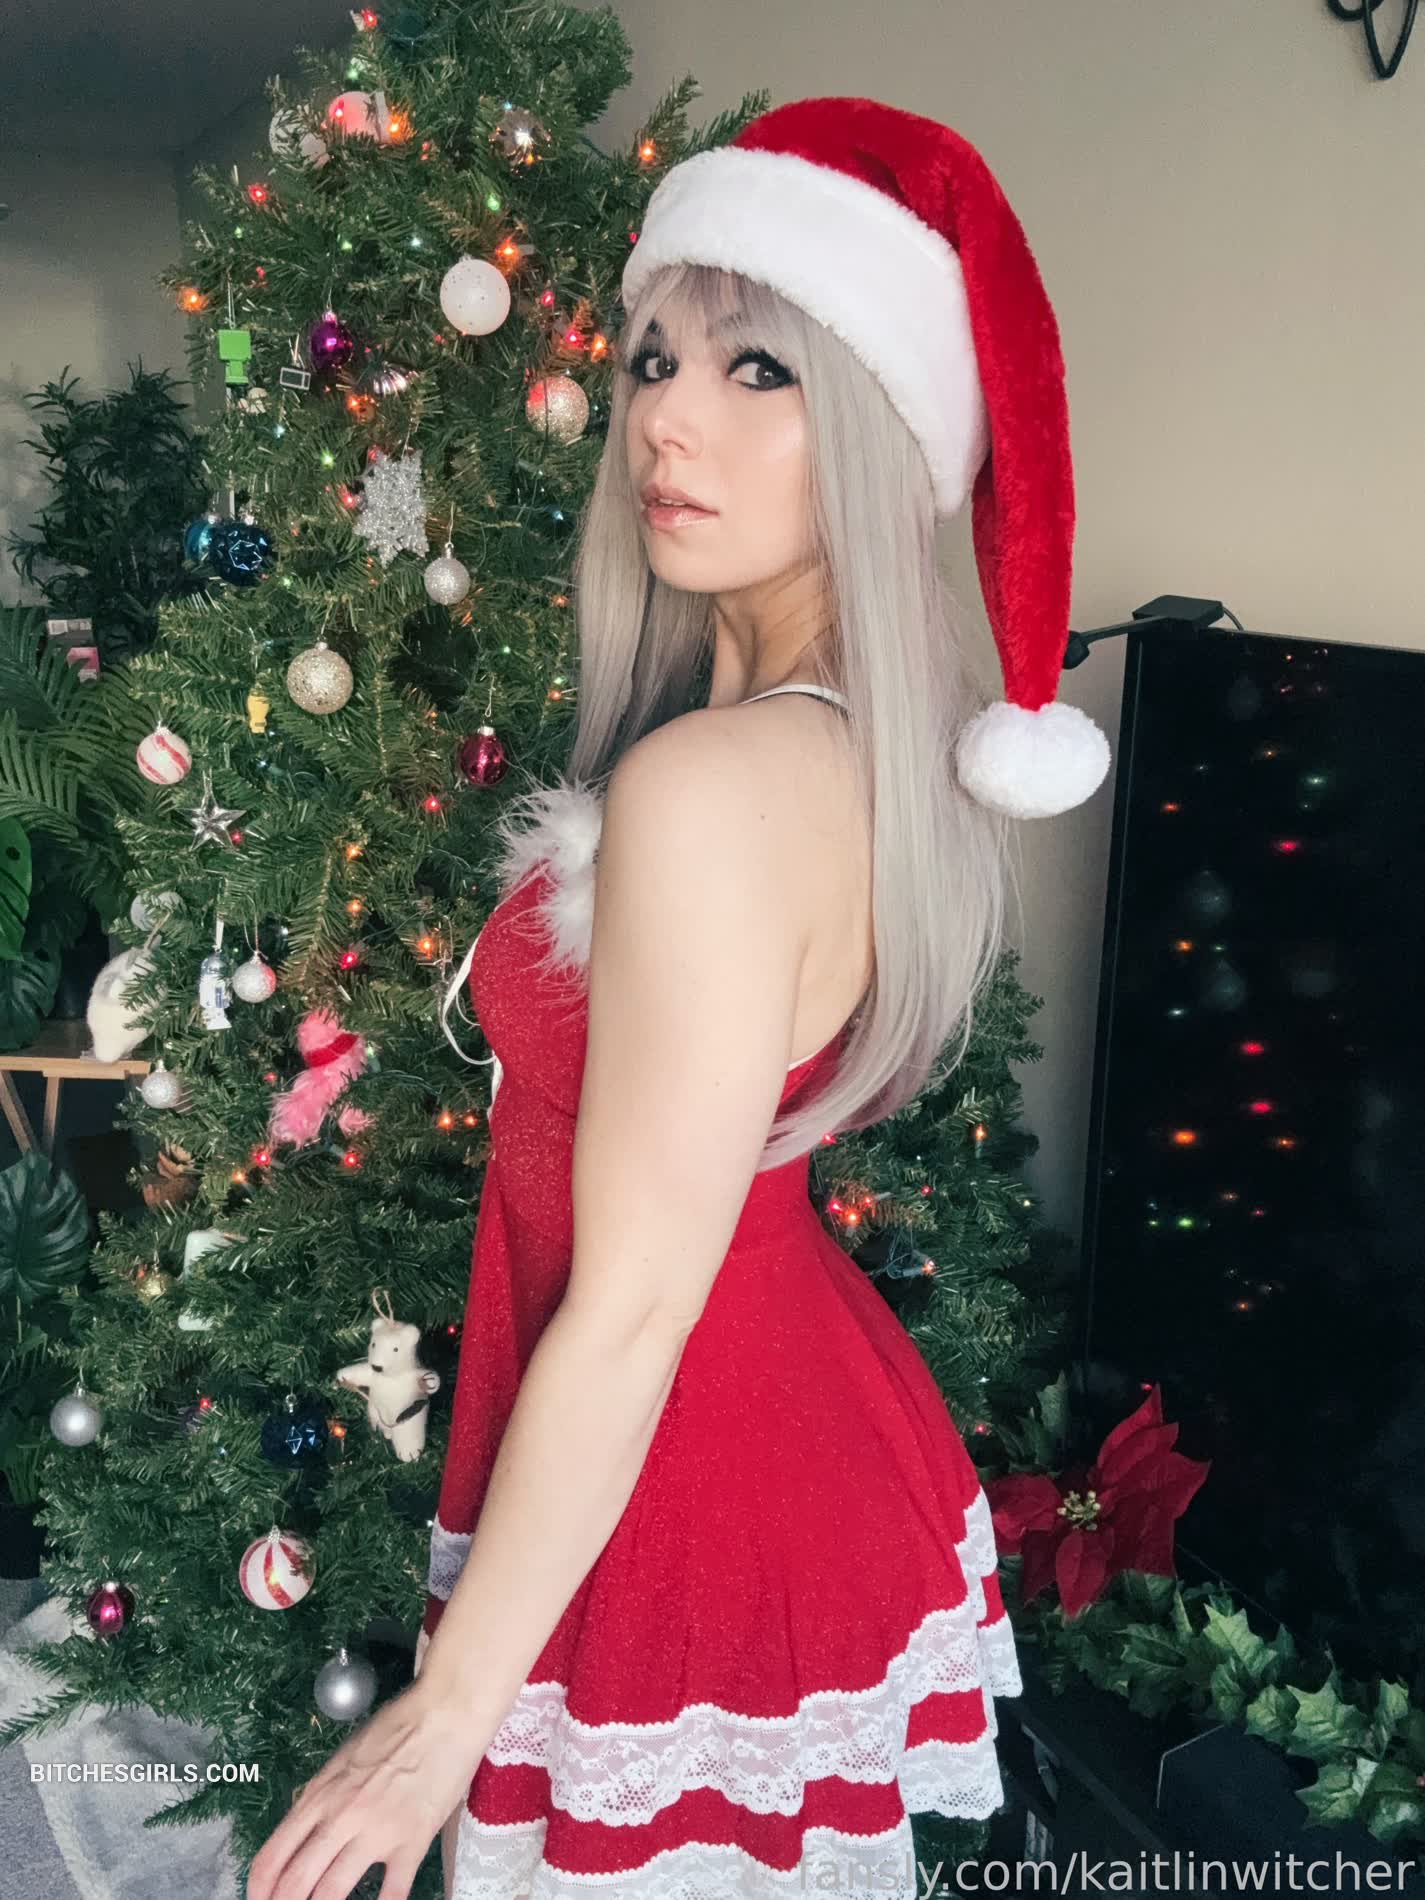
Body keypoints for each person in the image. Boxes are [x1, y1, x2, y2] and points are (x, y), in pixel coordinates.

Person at [247, 94, 1110, 1900]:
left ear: (875, 433)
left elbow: (639, 1302)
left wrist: (445, 1715)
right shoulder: (815, 754)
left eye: (757, 369)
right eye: (651, 357)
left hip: (685, 1490)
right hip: (744, 1433)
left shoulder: (713, 788)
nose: (664, 417)